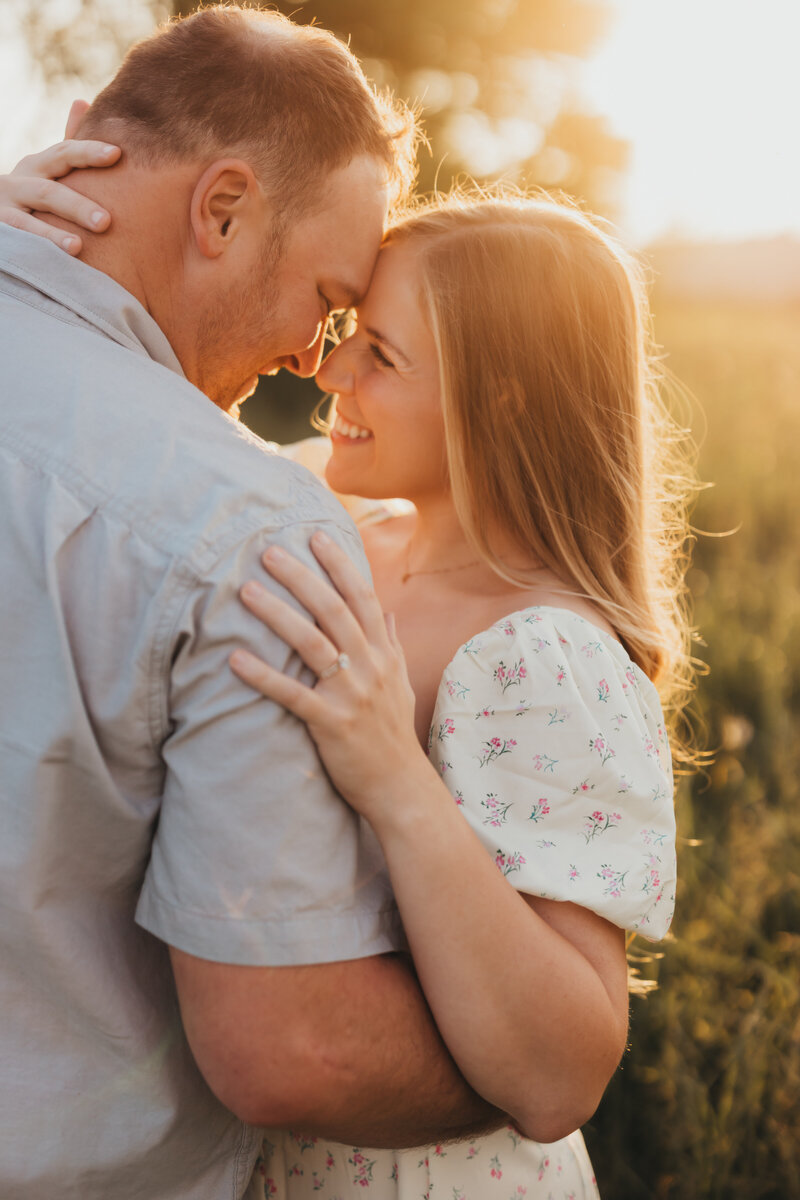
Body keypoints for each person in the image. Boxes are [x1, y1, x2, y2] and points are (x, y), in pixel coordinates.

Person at [0, 10, 526, 1199]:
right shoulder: (241, 528)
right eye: (328, 299)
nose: (311, 362)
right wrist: (531, 1064)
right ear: (221, 208)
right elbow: (288, 1049)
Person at [223, 192, 692, 1197]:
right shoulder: (336, 519)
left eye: (380, 356)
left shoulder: (542, 657)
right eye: (348, 333)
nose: (329, 369)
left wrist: (396, 778)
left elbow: (561, 1072)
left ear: (503, 398)